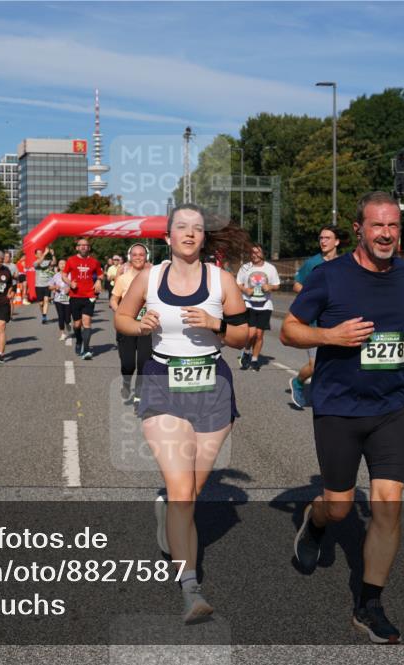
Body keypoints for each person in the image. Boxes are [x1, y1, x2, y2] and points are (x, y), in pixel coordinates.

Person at [280, 191, 404, 644]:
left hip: (390, 407)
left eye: (393, 226)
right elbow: (289, 330)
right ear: (359, 230)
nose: (386, 234)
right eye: (377, 226)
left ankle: (369, 605)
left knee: (389, 506)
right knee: (341, 505)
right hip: (338, 409)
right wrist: (331, 334)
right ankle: (316, 519)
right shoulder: (330, 277)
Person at [115, 203, 248, 624]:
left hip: (213, 388)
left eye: (196, 229)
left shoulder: (221, 280)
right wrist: (140, 327)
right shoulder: (148, 277)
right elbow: (121, 316)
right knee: (181, 489)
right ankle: (191, 588)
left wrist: (216, 324)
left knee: (188, 493)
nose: (189, 234)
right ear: (168, 236)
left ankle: (167, 510)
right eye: (181, 228)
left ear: (204, 238)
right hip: (162, 385)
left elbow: (244, 336)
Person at [290, 226, 343, 407]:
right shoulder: (313, 263)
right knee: (314, 365)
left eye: (328, 238)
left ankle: (328, 394)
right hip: (313, 322)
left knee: (335, 363)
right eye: (321, 238)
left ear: (337, 241)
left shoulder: (344, 263)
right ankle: (298, 382)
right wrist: (312, 294)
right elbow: (296, 284)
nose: (323, 241)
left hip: (335, 322)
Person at [110, 243, 152, 406]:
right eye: (135, 255)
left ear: (146, 256)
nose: (138, 258)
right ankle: (126, 384)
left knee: (144, 362)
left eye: (141, 254)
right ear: (130, 257)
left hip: (146, 326)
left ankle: (139, 394)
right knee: (128, 364)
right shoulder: (123, 279)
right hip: (127, 326)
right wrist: (120, 312)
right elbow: (114, 299)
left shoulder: (153, 278)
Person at [235, 244, 280, 371]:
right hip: (249, 303)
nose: (255, 255)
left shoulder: (270, 268)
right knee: (251, 334)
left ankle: (254, 360)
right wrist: (245, 289)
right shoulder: (245, 267)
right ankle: (246, 353)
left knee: (259, 335)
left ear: (263, 254)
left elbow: (277, 285)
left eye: (257, 252)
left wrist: (270, 287)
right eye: (252, 252)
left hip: (265, 305)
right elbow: (238, 283)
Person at [65, 238, 103, 359]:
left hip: (89, 296)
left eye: (85, 245)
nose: (83, 247)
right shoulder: (71, 260)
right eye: (80, 245)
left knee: (87, 322)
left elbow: (101, 274)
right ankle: (79, 340)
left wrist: (98, 281)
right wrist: (70, 283)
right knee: (77, 324)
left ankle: (86, 350)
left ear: (89, 248)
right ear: (77, 247)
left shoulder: (94, 262)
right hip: (75, 295)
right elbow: (64, 275)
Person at [48, 258, 73, 342]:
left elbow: (75, 284)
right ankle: (62, 333)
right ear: (58, 266)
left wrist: (69, 288)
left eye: (64, 263)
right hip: (58, 299)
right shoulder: (56, 275)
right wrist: (55, 287)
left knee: (67, 318)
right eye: (60, 264)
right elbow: (50, 286)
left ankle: (68, 325)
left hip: (68, 299)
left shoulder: (70, 275)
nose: (62, 265)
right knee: (61, 316)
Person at [33, 247, 56, 324]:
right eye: (39, 253)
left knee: (46, 300)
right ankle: (43, 314)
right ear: (36, 255)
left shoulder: (47, 262)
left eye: (41, 253)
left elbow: (54, 262)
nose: (40, 254)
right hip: (39, 285)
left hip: (47, 285)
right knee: (41, 303)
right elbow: (38, 263)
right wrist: (45, 253)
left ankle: (44, 317)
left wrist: (53, 255)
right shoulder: (35, 263)